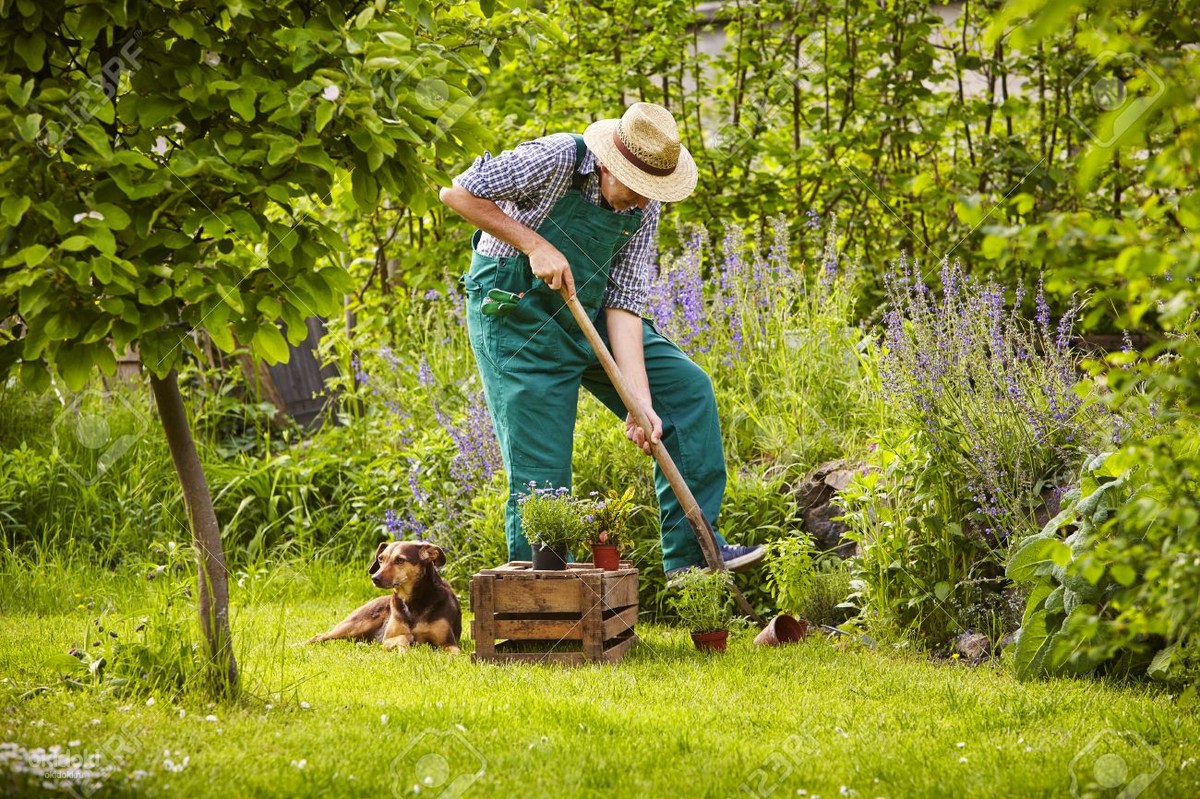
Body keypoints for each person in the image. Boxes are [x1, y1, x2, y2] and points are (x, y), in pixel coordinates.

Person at [439, 102, 763, 579]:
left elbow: (624, 303)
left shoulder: (642, 206)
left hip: (589, 311)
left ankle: (694, 559)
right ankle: (544, 603)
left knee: (684, 394)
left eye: (652, 193)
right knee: (542, 470)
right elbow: (458, 192)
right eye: (637, 189)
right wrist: (534, 244)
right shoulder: (554, 159)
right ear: (610, 163)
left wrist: (639, 402)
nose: (642, 202)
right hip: (517, 315)